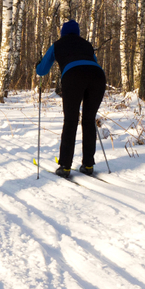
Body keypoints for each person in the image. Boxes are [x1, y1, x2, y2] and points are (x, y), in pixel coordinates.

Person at [36, 20, 106, 178]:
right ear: (78, 32)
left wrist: (37, 66)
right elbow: (93, 63)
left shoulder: (58, 45)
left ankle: (65, 166)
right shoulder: (87, 45)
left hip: (73, 76)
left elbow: (42, 70)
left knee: (71, 120)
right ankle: (88, 164)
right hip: (97, 77)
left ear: (63, 33)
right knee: (89, 120)